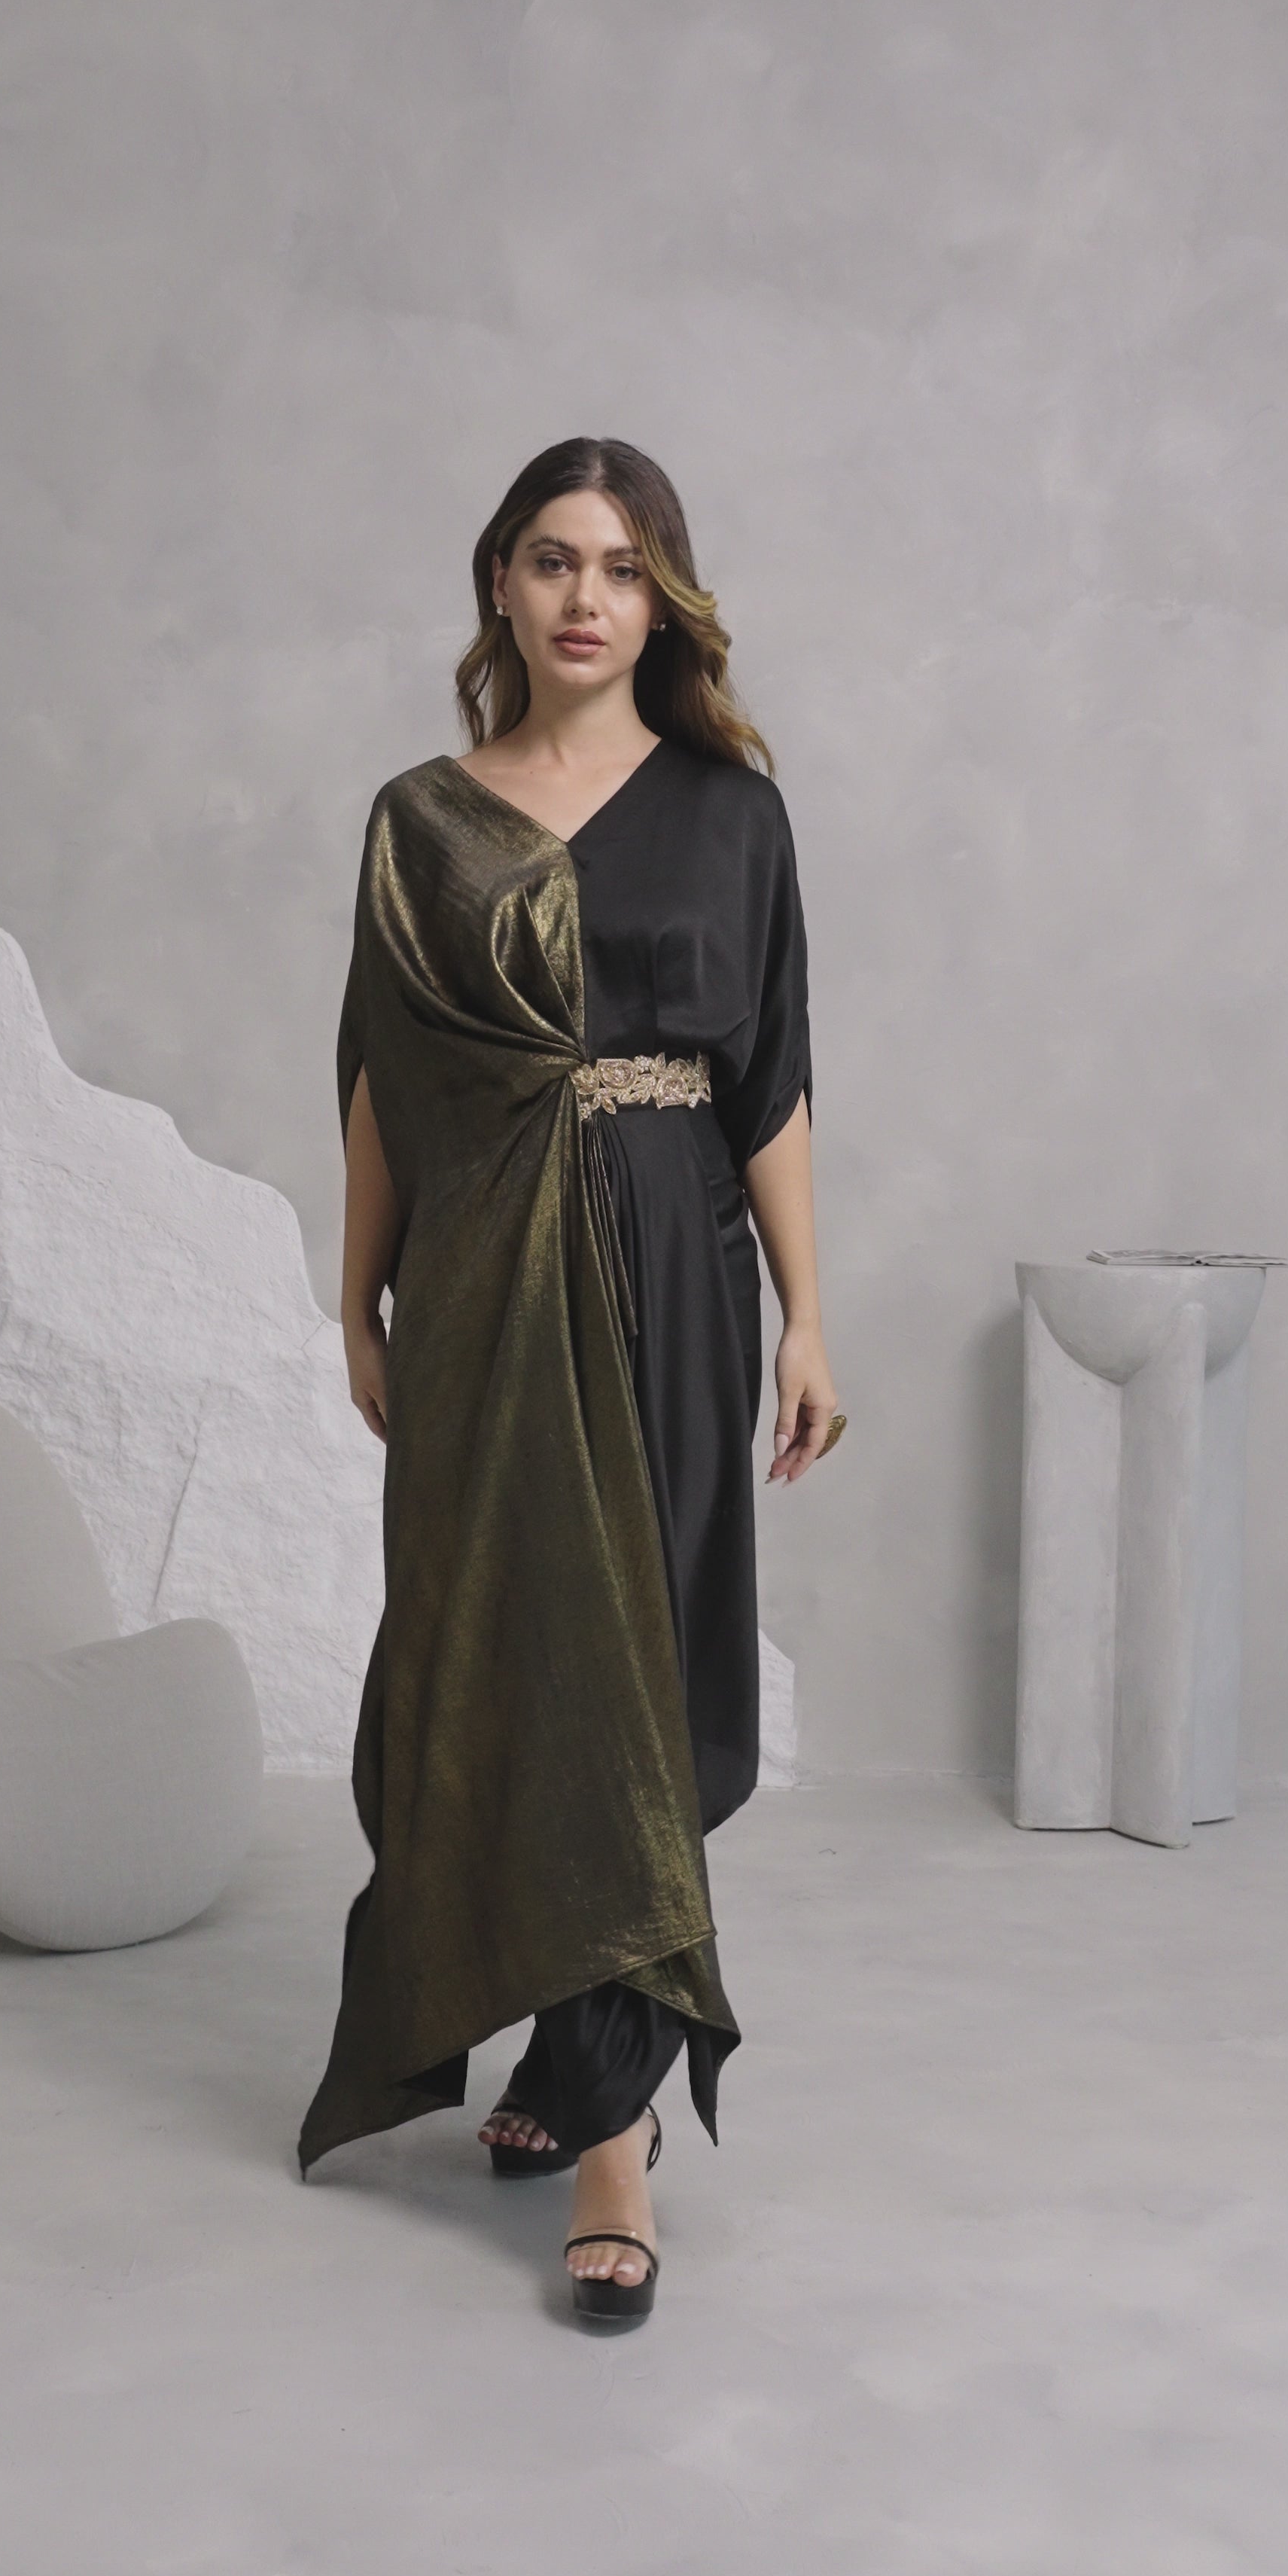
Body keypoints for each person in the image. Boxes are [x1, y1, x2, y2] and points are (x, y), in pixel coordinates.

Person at [297, 437, 841, 2323]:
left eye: (620, 566)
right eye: (552, 559)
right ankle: (553, 2034)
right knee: (505, 1654)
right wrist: (357, 1301)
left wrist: (809, 1314)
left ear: (661, 597)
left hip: (676, 1264)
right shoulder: (424, 821)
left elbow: (770, 1077)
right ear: (501, 585)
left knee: (646, 1674)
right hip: (481, 1281)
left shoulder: (732, 814)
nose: (586, 597)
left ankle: (615, 2130)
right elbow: (386, 1084)